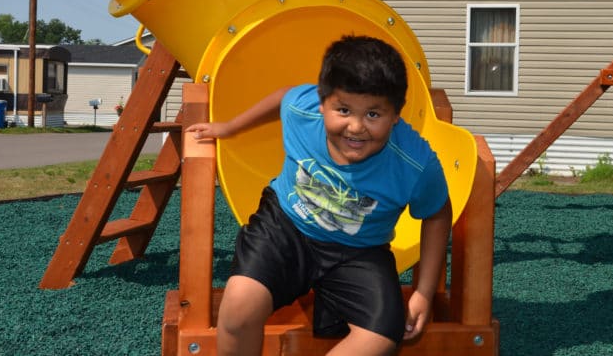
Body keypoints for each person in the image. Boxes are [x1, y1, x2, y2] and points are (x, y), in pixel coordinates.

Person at [187, 35, 451, 356]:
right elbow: (283, 97)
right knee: (238, 307)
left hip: (360, 250)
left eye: (373, 114)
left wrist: (423, 293)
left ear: (396, 115)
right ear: (322, 102)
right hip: (286, 225)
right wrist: (230, 127)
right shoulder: (304, 109)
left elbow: (437, 213)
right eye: (343, 109)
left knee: (382, 336)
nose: (355, 127)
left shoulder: (415, 163)